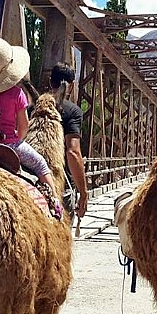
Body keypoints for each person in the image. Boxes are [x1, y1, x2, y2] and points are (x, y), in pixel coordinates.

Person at [0, 37, 57, 195]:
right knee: (41, 165)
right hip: (10, 145)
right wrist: (17, 138)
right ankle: (55, 205)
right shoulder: (17, 94)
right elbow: (24, 127)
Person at [49, 62, 88, 220]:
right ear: (72, 86)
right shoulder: (72, 112)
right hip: (60, 184)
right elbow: (73, 152)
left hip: (32, 180)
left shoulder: (32, 109)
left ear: (50, 82)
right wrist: (83, 192)